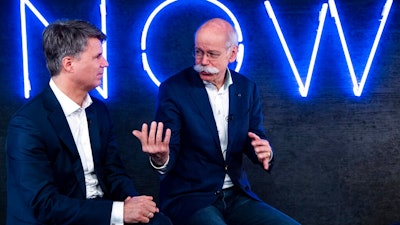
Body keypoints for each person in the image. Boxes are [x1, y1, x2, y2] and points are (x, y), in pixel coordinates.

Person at [133, 18, 301, 225]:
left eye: (212, 54)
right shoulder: (174, 90)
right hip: (191, 198)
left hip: (237, 196)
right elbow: (170, 151)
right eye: (198, 52)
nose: (203, 61)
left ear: (232, 54)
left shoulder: (246, 88)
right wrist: (161, 158)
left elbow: (254, 137)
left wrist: (264, 151)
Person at [5, 19, 172, 225]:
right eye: (97, 57)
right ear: (68, 64)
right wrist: (120, 212)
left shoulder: (98, 111)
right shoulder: (27, 124)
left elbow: (114, 173)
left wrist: (134, 203)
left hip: (102, 212)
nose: (105, 63)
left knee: (159, 222)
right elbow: (45, 204)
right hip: (58, 219)